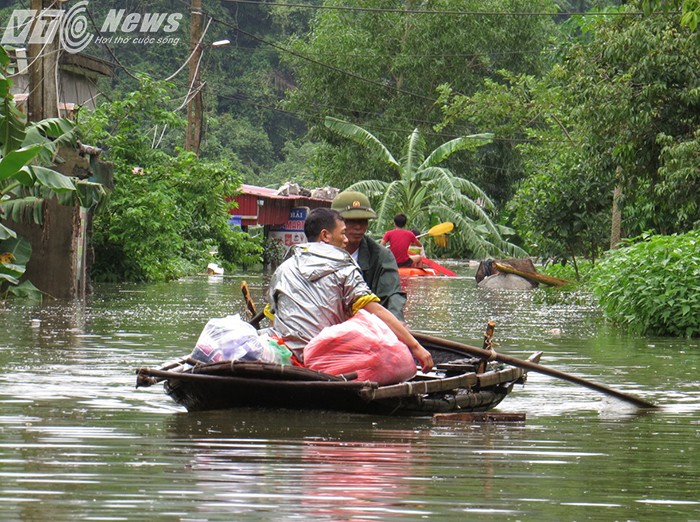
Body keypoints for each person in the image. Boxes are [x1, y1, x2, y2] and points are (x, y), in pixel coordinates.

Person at [266, 207, 433, 372]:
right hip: (322, 359)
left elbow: (273, 317)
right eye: (343, 233)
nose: (346, 240)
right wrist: (415, 346)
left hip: (288, 357)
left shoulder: (283, 268)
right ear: (325, 235)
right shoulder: (344, 267)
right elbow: (374, 310)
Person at [331, 191, 407, 322]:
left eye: (363, 221)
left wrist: (397, 323)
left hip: (366, 325)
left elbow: (392, 295)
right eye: (351, 222)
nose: (358, 227)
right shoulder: (317, 253)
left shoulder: (381, 256)